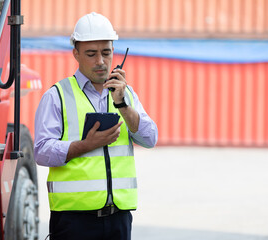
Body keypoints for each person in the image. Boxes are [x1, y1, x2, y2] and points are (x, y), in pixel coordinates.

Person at [34, 12, 158, 240]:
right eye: (91, 54)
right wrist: (84, 145)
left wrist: (122, 104)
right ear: (76, 54)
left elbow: (150, 139)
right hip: (73, 221)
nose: (100, 61)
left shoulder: (125, 94)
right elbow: (41, 152)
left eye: (106, 53)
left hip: (119, 217)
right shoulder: (57, 96)